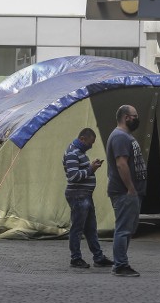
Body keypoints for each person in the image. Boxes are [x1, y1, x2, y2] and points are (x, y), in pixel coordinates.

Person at [105, 105, 147, 277]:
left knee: (127, 229)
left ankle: (120, 263)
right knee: (123, 229)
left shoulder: (125, 136)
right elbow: (121, 163)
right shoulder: (120, 137)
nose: (137, 119)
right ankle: (120, 265)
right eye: (134, 116)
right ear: (125, 117)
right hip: (124, 192)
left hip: (130, 192)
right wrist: (130, 188)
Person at [63, 128, 114, 269]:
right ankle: (75, 258)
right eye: (90, 143)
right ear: (82, 139)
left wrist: (91, 166)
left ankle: (98, 257)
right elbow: (73, 177)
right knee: (77, 228)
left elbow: (80, 171)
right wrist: (91, 169)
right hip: (78, 195)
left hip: (84, 195)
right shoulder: (72, 152)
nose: (91, 146)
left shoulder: (80, 153)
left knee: (91, 228)